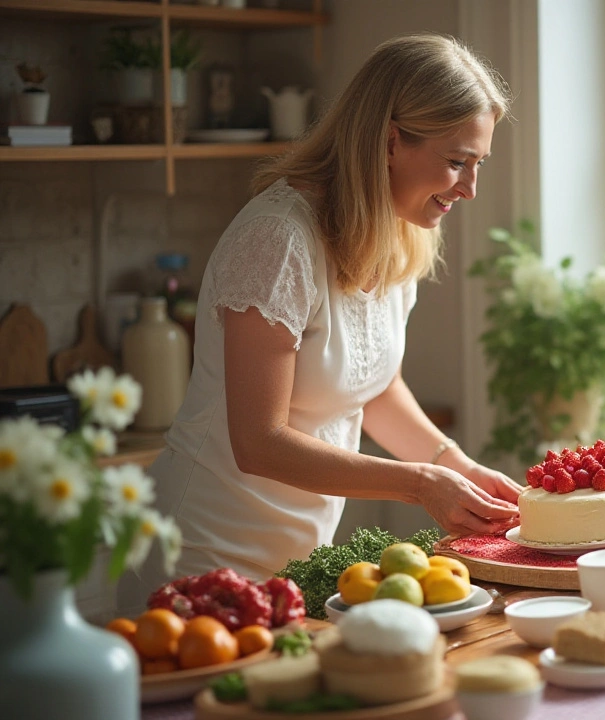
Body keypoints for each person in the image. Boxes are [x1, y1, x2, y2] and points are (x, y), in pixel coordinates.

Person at [119, 33, 521, 611]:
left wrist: (454, 466)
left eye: (477, 163)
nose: (470, 188)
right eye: (456, 162)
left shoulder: (398, 232)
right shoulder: (277, 239)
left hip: (294, 562)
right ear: (388, 141)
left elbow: (374, 385)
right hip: (197, 554)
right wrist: (417, 483)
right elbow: (259, 443)